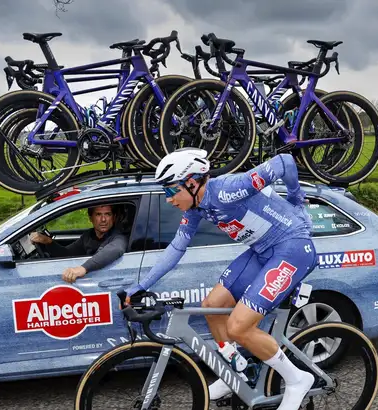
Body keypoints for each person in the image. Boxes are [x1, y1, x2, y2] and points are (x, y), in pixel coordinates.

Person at [125, 148, 317, 410]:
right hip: (262, 250)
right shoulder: (196, 208)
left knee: (238, 327)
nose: (168, 199)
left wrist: (296, 198)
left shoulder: (228, 190)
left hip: (293, 248)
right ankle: (236, 371)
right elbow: (177, 248)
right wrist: (141, 286)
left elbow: (284, 161)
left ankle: (297, 379)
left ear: (192, 183)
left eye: (171, 190)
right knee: (212, 306)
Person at [30, 204, 128, 283]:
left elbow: (116, 249)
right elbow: (67, 254)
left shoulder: (118, 236)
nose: (103, 219)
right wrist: (48, 242)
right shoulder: (88, 235)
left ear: (114, 217)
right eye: (98, 214)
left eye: (108, 214)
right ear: (91, 218)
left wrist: (83, 268)